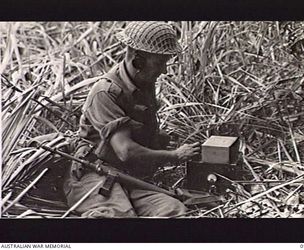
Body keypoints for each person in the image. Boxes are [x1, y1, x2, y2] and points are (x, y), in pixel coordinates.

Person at [63, 21, 201, 218]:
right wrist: (175, 156)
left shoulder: (143, 83)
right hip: (93, 173)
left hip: (128, 176)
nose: (165, 71)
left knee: (172, 210)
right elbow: (126, 151)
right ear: (138, 61)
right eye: (160, 63)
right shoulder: (105, 93)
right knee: (116, 216)